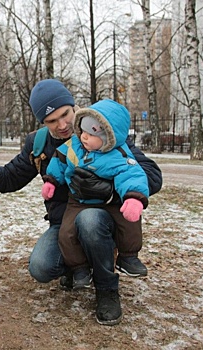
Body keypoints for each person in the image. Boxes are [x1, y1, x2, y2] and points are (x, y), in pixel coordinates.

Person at [0, 79, 162, 326]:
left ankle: (107, 290)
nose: (62, 125)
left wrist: (109, 191)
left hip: (104, 219)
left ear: (74, 106)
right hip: (64, 224)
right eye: (52, 121)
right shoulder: (39, 144)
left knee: (90, 221)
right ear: (42, 122)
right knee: (41, 267)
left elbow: (151, 175)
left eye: (65, 115)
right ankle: (77, 265)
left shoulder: (101, 128)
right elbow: (9, 179)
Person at [41, 99, 150, 290]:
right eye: (82, 130)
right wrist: (51, 180)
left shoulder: (119, 154)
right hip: (78, 201)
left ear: (109, 136)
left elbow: (132, 174)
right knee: (66, 233)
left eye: (91, 134)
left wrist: (133, 197)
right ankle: (79, 268)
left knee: (129, 222)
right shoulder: (74, 145)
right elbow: (59, 159)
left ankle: (128, 256)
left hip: (109, 203)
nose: (83, 137)